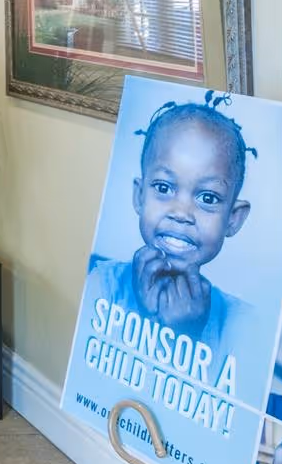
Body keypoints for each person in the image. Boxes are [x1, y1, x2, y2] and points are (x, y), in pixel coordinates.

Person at [81, 92, 263, 366]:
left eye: (208, 198)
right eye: (164, 188)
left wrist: (184, 336)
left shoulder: (244, 325)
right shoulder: (101, 284)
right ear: (139, 196)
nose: (181, 213)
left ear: (233, 219)